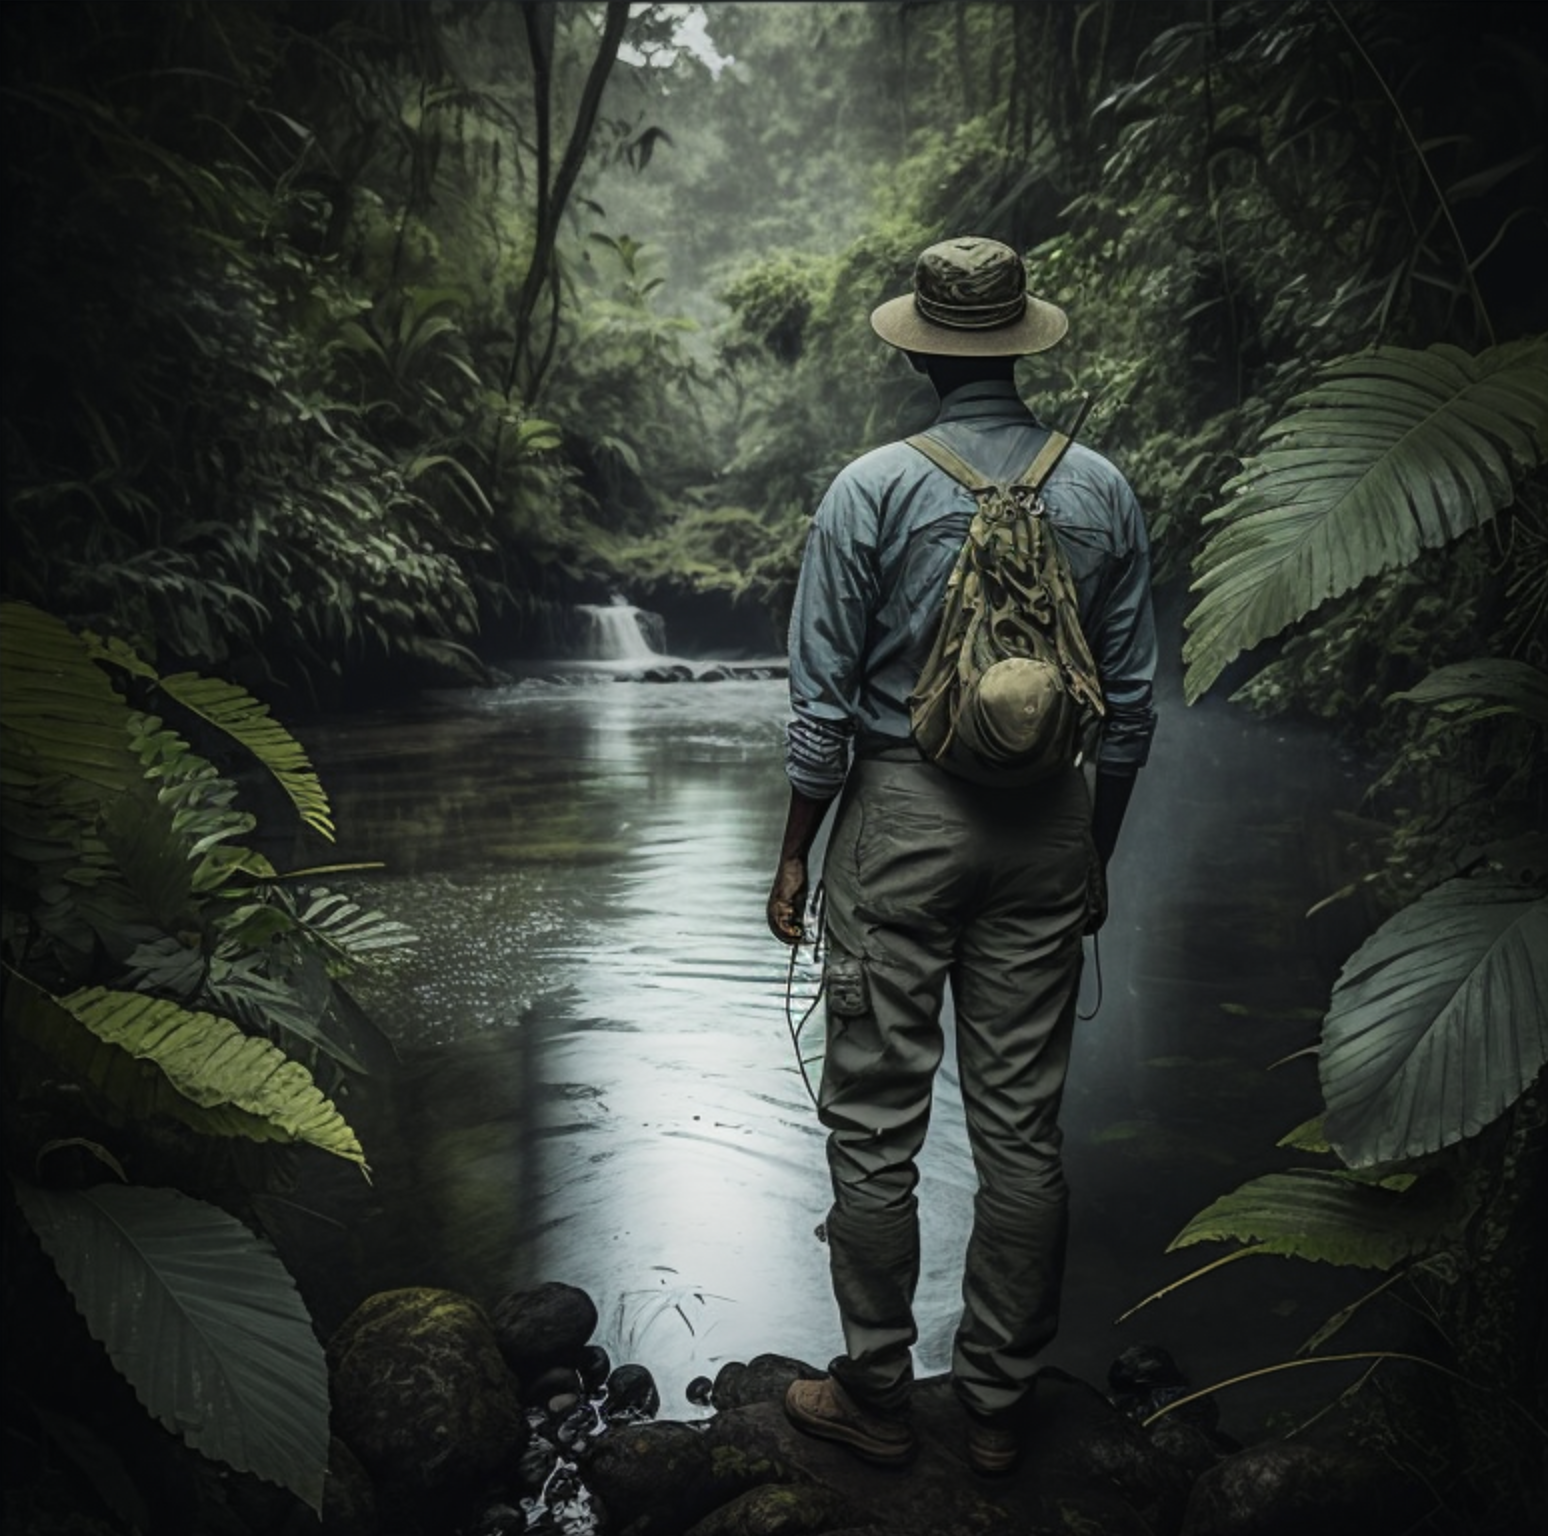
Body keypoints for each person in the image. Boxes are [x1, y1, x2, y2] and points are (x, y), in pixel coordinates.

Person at [765, 235, 1158, 1476]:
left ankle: (878, 1394)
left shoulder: (869, 491)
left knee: (876, 1123)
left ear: (922, 349)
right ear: (1024, 339)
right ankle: (995, 1405)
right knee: (1021, 1128)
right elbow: (1134, 710)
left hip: (896, 818)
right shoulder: (1099, 489)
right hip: (1048, 826)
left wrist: (794, 858)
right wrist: (1090, 850)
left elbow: (823, 715)